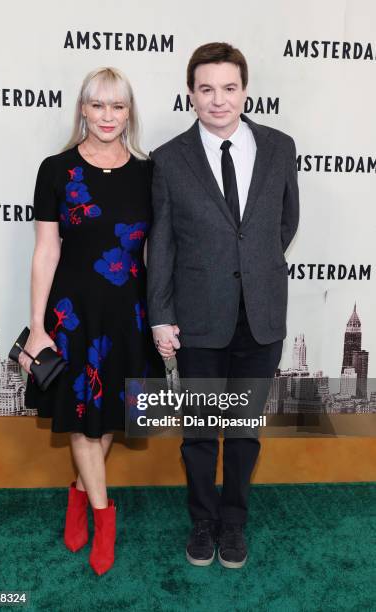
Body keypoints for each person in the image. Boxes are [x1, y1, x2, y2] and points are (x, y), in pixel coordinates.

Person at [147, 42, 299, 568]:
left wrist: (251, 267)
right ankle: (202, 521)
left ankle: (233, 523)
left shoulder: (280, 147)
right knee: (198, 435)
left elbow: (284, 224)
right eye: (206, 89)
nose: (218, 100)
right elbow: (161, 244)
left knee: (242, 432)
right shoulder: (168, 159)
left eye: (228, 88)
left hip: (260, 316)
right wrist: (161, 315)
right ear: (191, 94)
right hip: (197, 320)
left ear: (244, 91)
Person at [22, 67, 158, 575]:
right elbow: (44, 252)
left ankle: (79, 493)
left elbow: (154, 250)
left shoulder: (149, 172)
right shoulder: (55, 170)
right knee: (81, 416)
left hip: (129, 312)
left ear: (129, 113)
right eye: (98, 105)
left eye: (117, 106)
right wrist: (38, 327)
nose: (107, 116)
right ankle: (104, 518)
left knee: (108, 420)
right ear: (82, 108)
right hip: (72, 313)